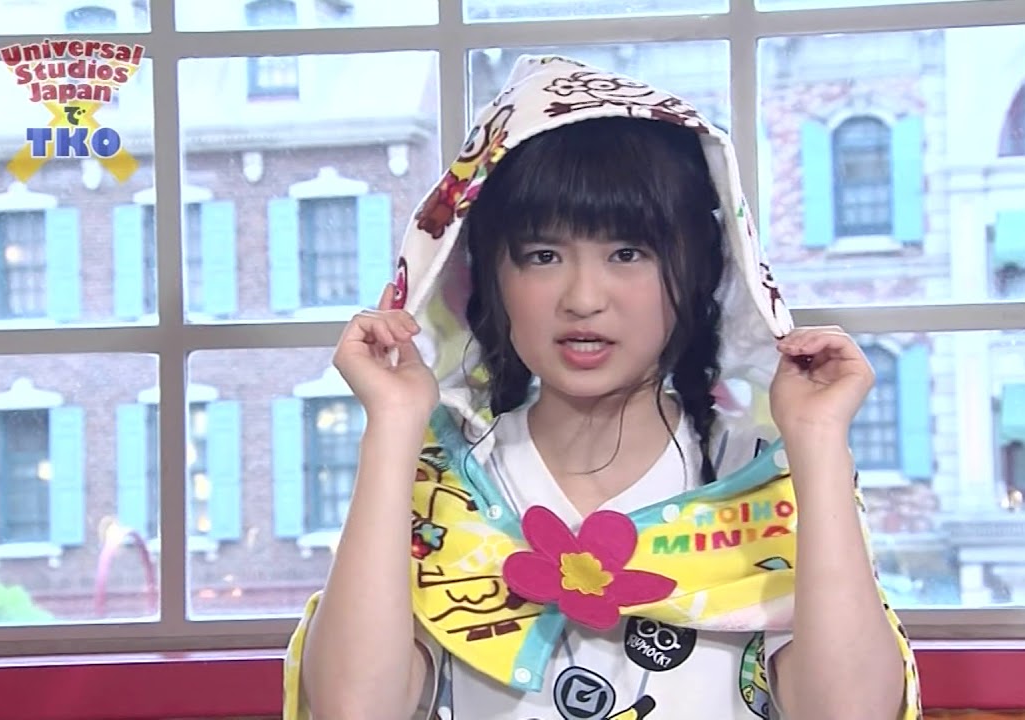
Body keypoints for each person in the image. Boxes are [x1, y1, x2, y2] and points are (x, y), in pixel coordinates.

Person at [283, 55, 922, 720]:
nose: (583, 298)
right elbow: (351, 710)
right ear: (489, 278)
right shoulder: (445, 486)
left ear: (698, 271)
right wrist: (392, 427)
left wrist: (817, 441)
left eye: (627, 253)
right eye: (543, 256)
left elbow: (851, 712)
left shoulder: (763, 479)